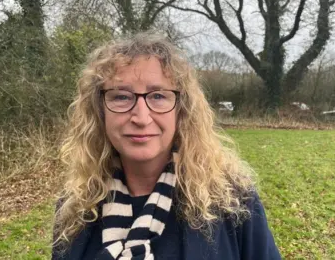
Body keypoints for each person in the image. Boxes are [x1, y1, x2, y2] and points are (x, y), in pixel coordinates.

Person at [52, 31, 281, 260]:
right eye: (121, 97)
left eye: (158, 96)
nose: (141, 118)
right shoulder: (77, 208)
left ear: (182, 110)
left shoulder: (233, 201)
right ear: (99, 111)